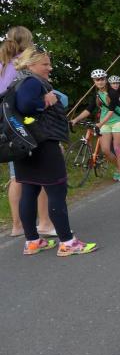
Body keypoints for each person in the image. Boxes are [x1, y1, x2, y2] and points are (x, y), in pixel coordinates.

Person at [12, 46, 97, 256]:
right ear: (31, 64)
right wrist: (44, 101)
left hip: (25, 145)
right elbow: (27, 105)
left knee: (29, 190)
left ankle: (33, 242)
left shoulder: (17, 82)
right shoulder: (32, 82)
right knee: (57, 191)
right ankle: (67, 242)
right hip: (43, 146)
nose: (49, 68)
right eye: (45, 64)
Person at [0, 26, 54, 237]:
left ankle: (17, 226)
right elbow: (32, 93)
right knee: (42, 173)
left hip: (6, 124)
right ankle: (45, 222)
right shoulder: (25, 61)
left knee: (17, 176)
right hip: (28, 123)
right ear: (27, 41)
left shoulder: (3, 62)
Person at [70, 69, 120, 181]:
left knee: (117, 148)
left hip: (117, 122)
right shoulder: (97, 94)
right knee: (106, 150)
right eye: (97, 80)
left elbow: (111, 111)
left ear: (106, 80)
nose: (100, 81)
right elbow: (89, 110)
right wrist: (75, 119)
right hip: (104, 123)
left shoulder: (113, 92)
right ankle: (119, 167)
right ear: (94, 81)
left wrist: (100, 124)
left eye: (102, 79)